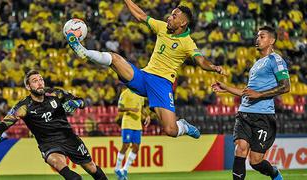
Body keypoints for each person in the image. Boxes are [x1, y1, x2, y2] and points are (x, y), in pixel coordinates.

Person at [66, 0, 225, 139]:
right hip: (144, 76)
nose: (169, 17)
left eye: (174, 16)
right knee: (115, 59)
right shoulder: (162, 27)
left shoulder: (188, 43)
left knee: (170, 130)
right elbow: (141, 16)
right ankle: (84, 52)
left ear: (183, 23)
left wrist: (213, 67)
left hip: (161, 84)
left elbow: (201, 61)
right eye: (170, 14)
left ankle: (184, 126)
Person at [0, 70, 108, 180]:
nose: (40, 83)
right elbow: (7, 120)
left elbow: (82, 101)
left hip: (69, 138)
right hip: (48, 144)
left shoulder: (55, 94)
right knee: (73, 177)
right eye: (35, 81)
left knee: (92, 168)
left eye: (41, 79)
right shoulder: (24, 106)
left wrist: (76, 103)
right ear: (28, 86)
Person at [212, 26, 289, 180]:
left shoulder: (276, 60)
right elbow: (247, 92)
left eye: (262, 36)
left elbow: (285, 86)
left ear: (272, 40)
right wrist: (226, 88)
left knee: (255, 161)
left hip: (263, 117)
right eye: (257, 36)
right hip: (244, 113)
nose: (258, 39)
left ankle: (273, 173)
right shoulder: (256, 64)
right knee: (240, 149)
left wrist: (260, 94)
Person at [114, 87, 150, 180]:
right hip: (127, 124)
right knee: (125, 145)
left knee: (136, 147)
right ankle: (117, 168)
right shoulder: (125, 93)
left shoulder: (140, 94)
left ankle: (125, 169)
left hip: (137, 125)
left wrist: (147, 115)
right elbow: (119, 108)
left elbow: (141, 108)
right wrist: (130, 109)